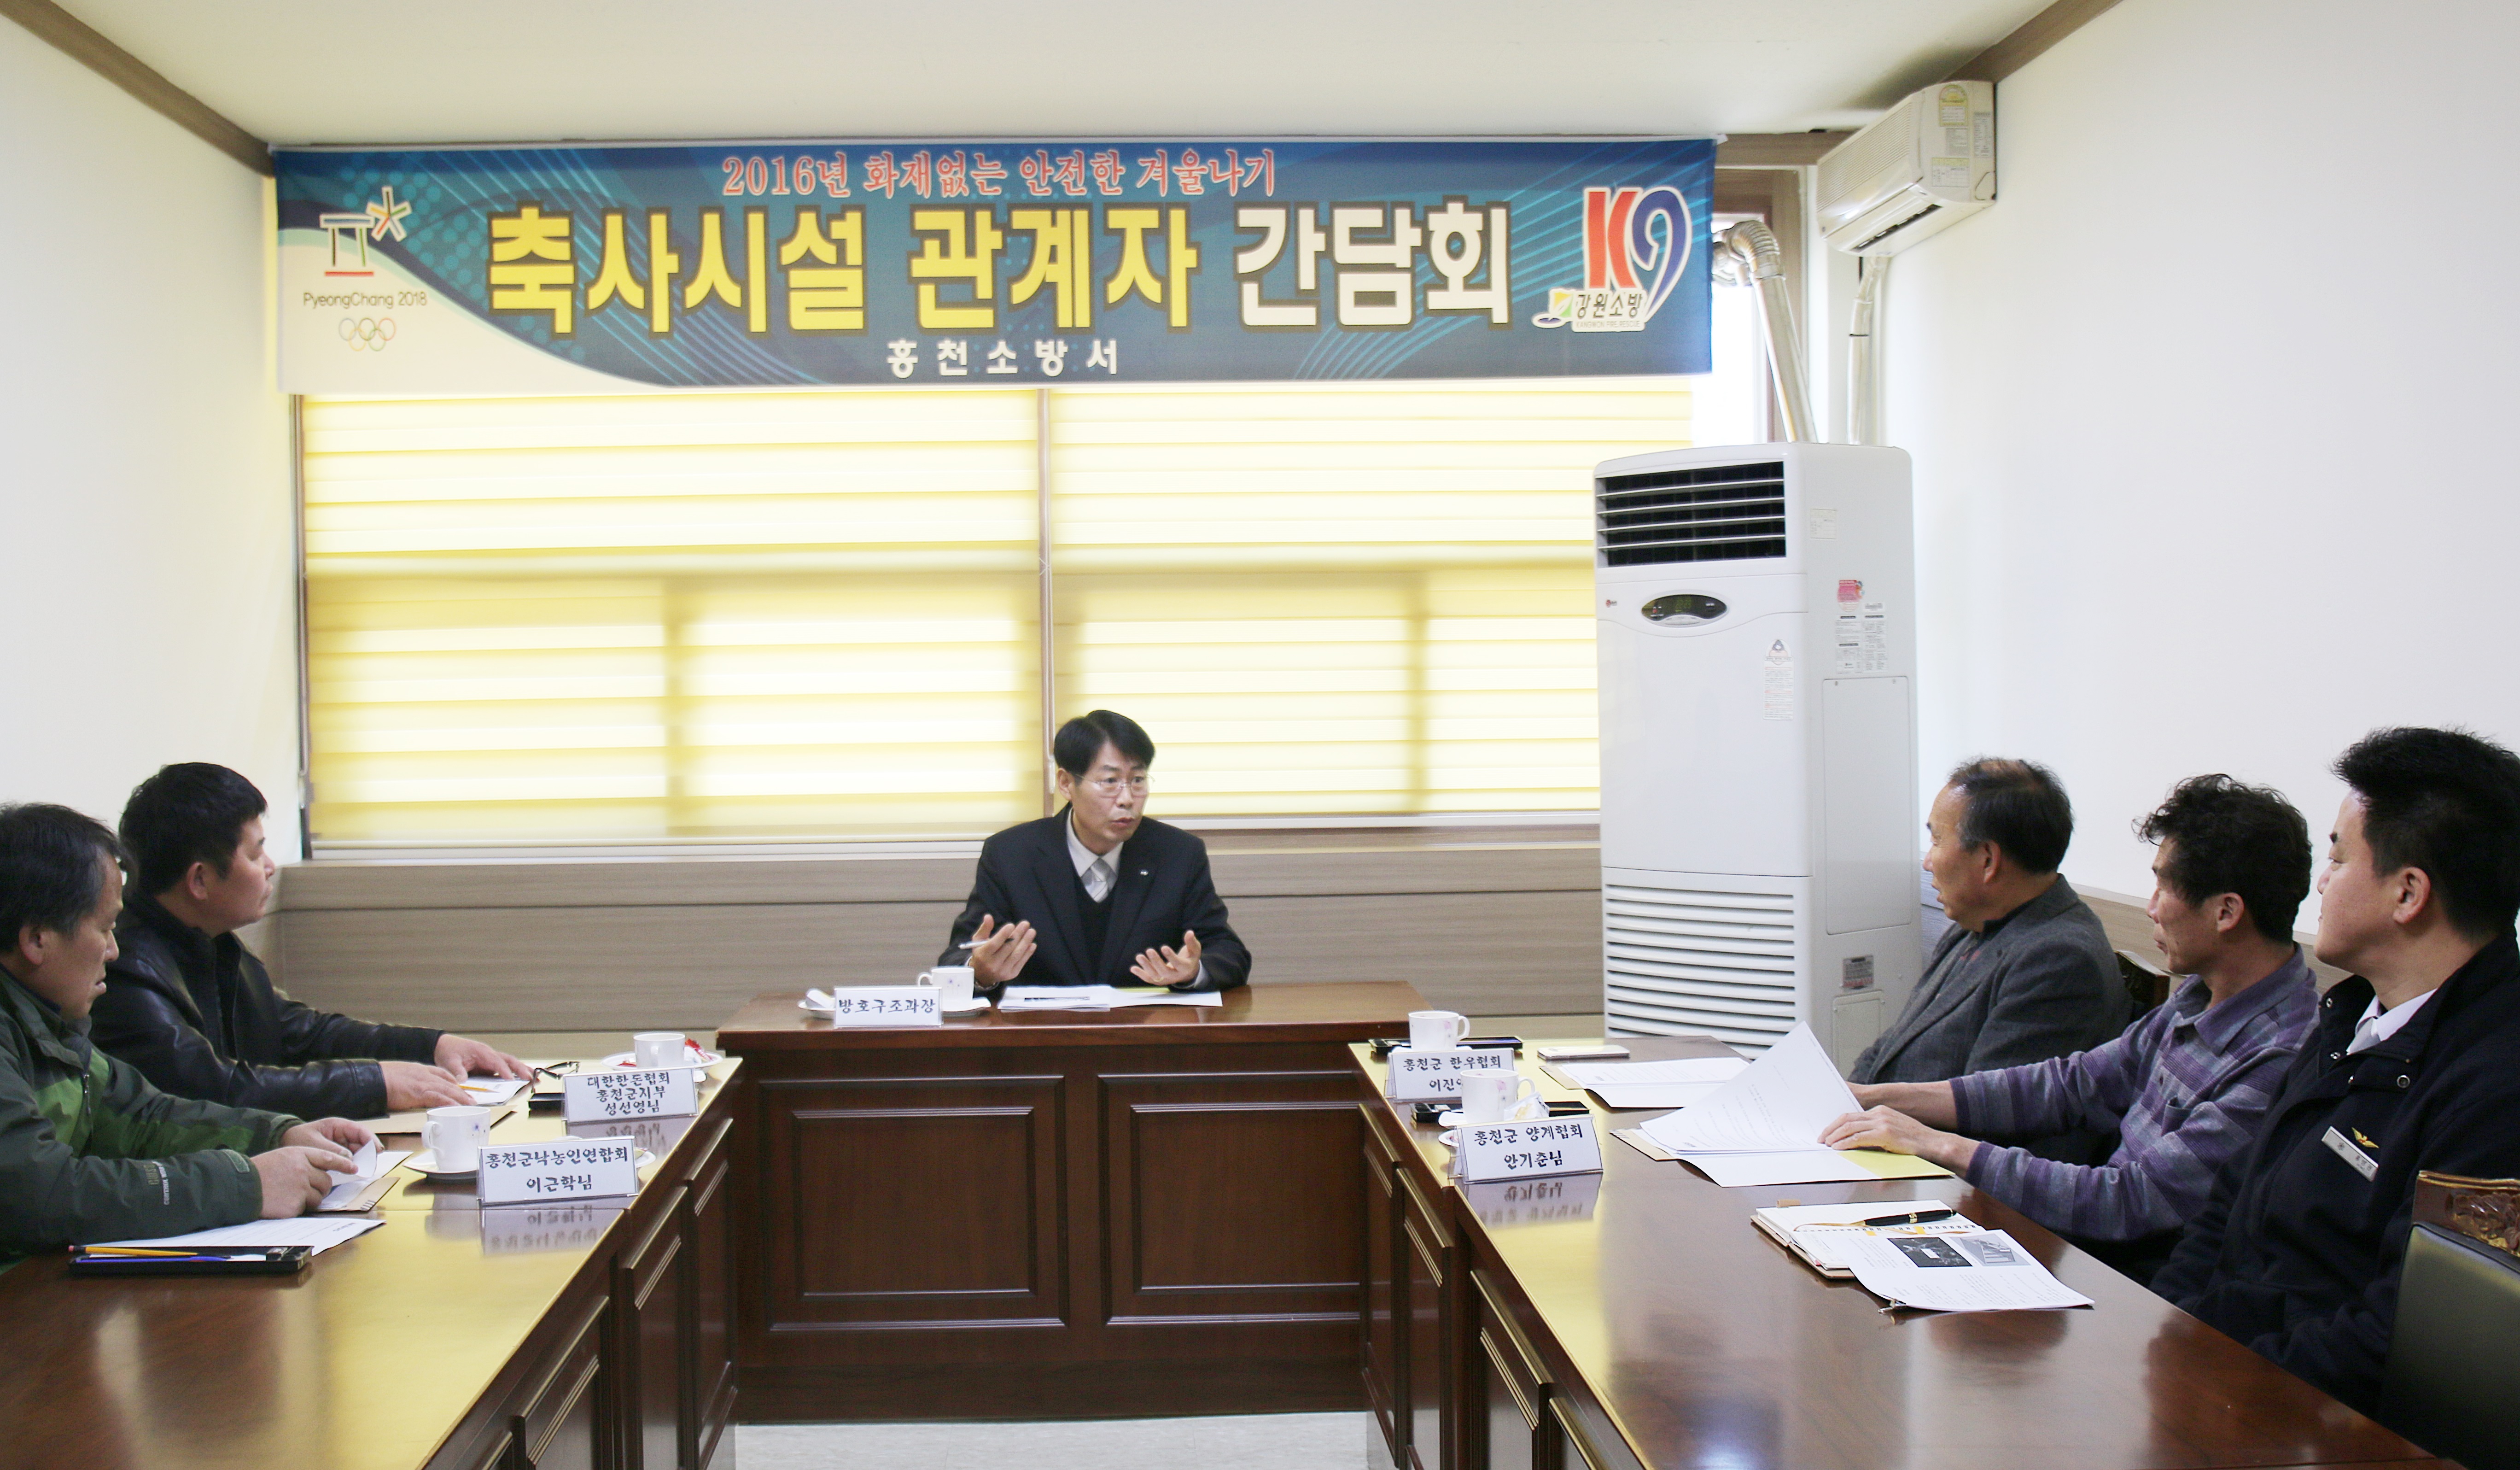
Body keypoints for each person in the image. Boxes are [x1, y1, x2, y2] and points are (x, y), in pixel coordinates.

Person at [2152, 727, 2520, 1416]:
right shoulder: (2350, 1016)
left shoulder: (2497, 1090)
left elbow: (2402, 1335)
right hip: (2214, 1375)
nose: (2321, 881)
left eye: (2339, 857)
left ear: (2408, 893)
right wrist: (2164, 1329)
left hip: (2300, 1418)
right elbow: (2230, 1200)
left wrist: (2212, 1385)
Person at [1821, 774, 2318, 1281]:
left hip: (2132, 1282)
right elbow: (2073, 1083)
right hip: (2089, 1253)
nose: (2151, 907)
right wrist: (1877, 1097)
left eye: (2164, 886)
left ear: (2226, 912)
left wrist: (1939, 1144)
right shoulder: (2201, 994)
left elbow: (2132, 1201)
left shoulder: (2279, 1055)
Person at [0, 803, 371, 1259]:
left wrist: (276, 1134)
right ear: (37, 939)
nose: (114, 950)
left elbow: (144, 1116)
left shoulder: (52, 1020)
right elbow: (45, 1196)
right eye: (104, 928)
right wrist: (245, 1183)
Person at [92, 763, 528, 1119]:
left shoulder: (213, 942)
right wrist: (375, 1083)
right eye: (255, 853)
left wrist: (432, 1046)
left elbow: (301, 1034)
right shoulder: (126, 970)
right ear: (200, 880)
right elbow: (214, 1089)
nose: (269, 866)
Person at [1849, 758, 2127, 1088]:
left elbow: (1985, 1109)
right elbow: (1892, 1045)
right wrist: (1846, 1096)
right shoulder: (1976, 921)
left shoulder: (2059, 961)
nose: (1927, 862)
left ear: (1988, 860)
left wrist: (1863, 1105)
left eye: (1937, 841)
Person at [941, 710, 1249, 992]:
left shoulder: (1178, 854)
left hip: (1145, 1029)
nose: (1127, 799)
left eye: (1137, 780)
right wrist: (980, 972)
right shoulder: (1010, 855)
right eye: (1110, 781)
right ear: (1066, 783)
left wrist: (1192, 972)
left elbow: (1228, 952)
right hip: (1042, 1031)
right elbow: (956, 958)